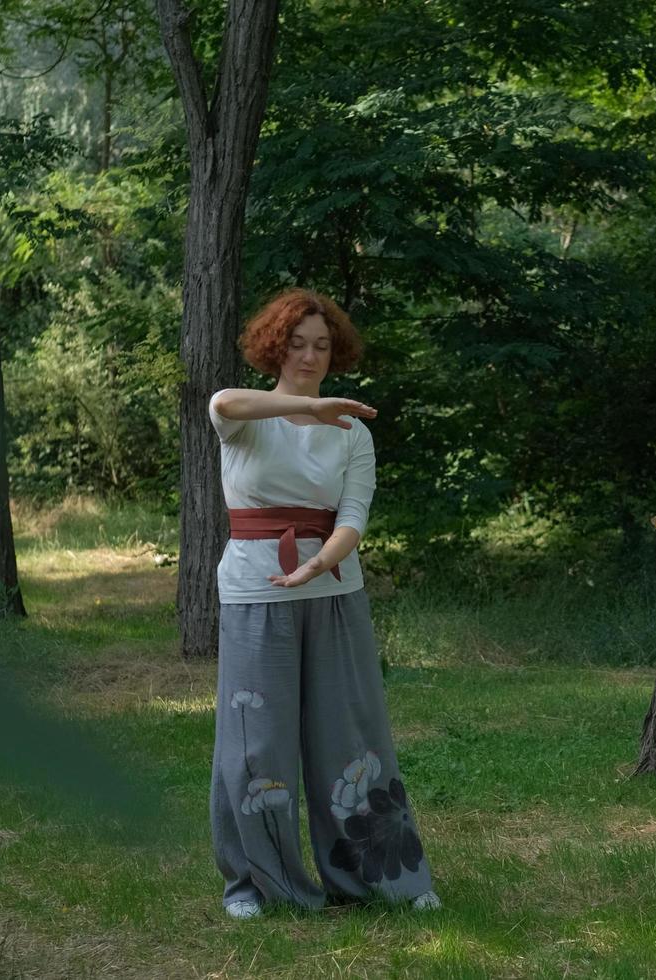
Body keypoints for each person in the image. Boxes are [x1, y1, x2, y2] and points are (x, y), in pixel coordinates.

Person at [206, 288, 440, 919]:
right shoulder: (247, 414)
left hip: (335, 590)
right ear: (274, 347)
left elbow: (353, 518)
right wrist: (308, 404)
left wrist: (318, 563)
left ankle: (381, 876)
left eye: (322, 345)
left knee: (351, 736)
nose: (310, 355)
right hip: (255, 592)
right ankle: (255, 885)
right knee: (258, 742)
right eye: (298, 343)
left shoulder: (351, 431)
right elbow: (222, 401)